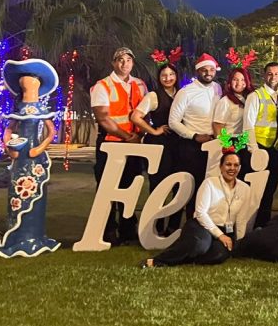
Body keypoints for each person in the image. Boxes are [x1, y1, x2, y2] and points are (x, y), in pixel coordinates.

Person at [0, 58, 61, 258]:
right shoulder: (17, 110)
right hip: (20, 159)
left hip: (35, 159)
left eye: (31, 80)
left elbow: (50, 133)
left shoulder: (42, 110)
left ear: (38, 85)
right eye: (24, 81)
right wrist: (9, 148)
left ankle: (34, 235)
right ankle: (17, 235)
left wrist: (39, 149)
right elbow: (8, 131)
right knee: (17, 197)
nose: (27, 83)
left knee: (36, 197)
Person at [140, 151, 250, 268]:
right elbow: (200, 213)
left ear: (240, 168)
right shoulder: (209, 183)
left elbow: (242, 219)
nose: (232, 168)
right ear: (221, 167)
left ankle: (184, 256)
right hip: (201, 225)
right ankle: (157, 261)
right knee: (199, 245)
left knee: (218, 255)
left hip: (225, 230)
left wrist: (238, 243)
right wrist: (219, 235)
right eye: (228, 164)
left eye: (236, 165)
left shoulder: (245, 189)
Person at [90, 47, 148, 245]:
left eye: (128, 60)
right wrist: (126, 136)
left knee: (130, 186)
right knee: (107, 188)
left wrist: (139, 134)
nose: (125, 63)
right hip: (111, 143)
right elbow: (103, 118)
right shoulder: (102, 86)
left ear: (133, 63)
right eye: (120, 60)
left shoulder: (140, 84)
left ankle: (128, 230)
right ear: (114, 63)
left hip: (134, 143)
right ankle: (107, 230)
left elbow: (144, 113)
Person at [131, 53, 181, 235]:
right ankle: (154, 226)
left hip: (179, 145)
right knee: (158, 186)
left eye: (171, 75)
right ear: (159, 78)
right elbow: (135, 116)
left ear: (176, 76)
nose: (168, 78)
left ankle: (173, 226)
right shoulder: (153, 96)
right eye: (164, 75)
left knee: (179, 186)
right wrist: (153, 130)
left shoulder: (182, 94)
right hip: (159, 147)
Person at [168, 54, 223, 217]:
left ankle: (202, 224)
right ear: (197, 71)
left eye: (211, 69)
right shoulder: (186, 92)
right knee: (187, 188)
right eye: (204, 70)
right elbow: (173, 121)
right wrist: (194, 136)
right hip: (192, 146)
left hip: (215, 146)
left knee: (208, 188)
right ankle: (176, 227)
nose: (208, 73)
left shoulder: (218, 89)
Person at [242, 61, 278, 228]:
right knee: (255, 191)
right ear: (264, 74)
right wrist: (253, 150)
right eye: (270, 73)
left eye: (276, 73)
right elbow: (248, 125)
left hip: (275, 149)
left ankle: (263, 225)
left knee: (270, 190)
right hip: (259, 149)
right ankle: (248, 226)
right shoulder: (255, 96)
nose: (273, 76)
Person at [212, 67, 253, 167]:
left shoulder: (249, 98)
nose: (239, 83)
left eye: (242, 79)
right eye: (235, 79)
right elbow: (217, 125)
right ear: (230, 82)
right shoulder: (225, 101)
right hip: (231, 142)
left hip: (246, 141)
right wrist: (226, 146)